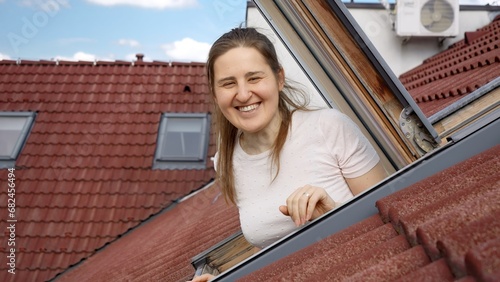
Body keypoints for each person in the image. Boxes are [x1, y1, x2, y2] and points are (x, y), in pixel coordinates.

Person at [189, 27, 387, 282]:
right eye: (228, 83)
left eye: (254, 78)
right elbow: (272, 253)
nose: (243, 93)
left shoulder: (329, 127)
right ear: (216, 94)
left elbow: (390, 216)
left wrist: (334, 212)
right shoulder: (227, 163)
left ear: (279, 78)